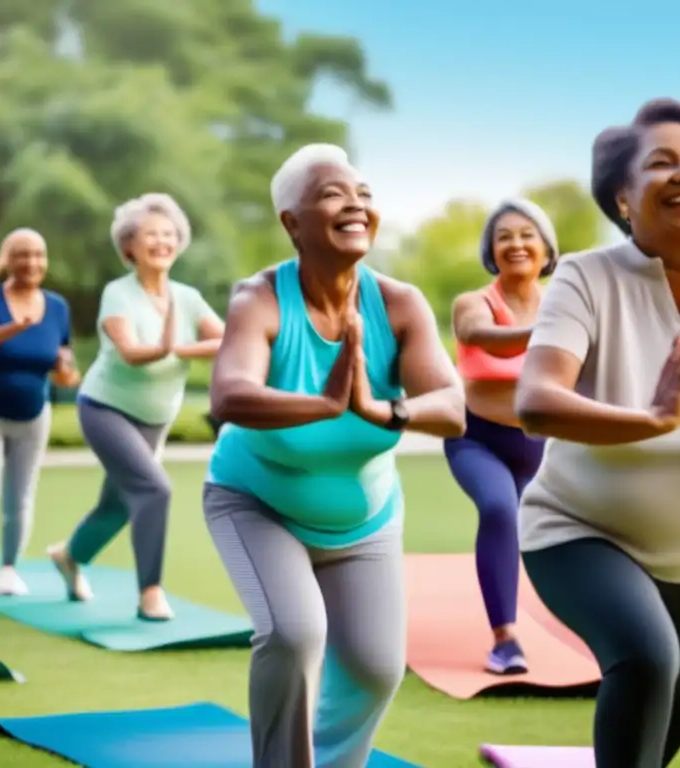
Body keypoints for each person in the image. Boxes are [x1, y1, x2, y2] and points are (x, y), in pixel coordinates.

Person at [204, 144, 465, 768]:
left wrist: (385, 410)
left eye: (364, 194)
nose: (355, 204)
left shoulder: (399, 303)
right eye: (331, 194)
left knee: (376, 667)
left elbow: (452, 407)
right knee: (294, 635)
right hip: (258, 503)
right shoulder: (260, 298)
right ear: (292, 223)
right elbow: (230, 394)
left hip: (365, 519)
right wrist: (324, 402)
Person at [516, 98, 680, 767]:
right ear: (624, 200)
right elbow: (537, 400)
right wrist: (653, 421)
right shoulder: (585, 275)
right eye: (663, 163)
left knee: (663, 731)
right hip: (580, 531)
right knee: (645, 657)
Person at [47, 192, 224, 621]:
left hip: (155, 417)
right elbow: (128, 350)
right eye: (151, 235)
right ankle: (151, 594)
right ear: (130, 246)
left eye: (169, 234)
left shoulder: (188, 297)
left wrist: (175, 347)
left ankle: (69, 556)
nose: (162, 242)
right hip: (106, 408)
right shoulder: (118, 294)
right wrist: (164, 348)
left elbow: (227, 340)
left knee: (118, 505)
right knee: (154, 489)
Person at [445, 199, 557, 675]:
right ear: (491, 249)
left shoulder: (563, 303)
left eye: (527, 234)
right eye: (504, 236)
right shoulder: (474, 303)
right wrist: (558, 329)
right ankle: (505, 640)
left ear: (546, 247)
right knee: (498, 509)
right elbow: (482, 336)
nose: (516, 244)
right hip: (478, 438)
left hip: (544, 447)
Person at [0, 228, 79, 596]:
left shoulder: (57, 307)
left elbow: (67, 371)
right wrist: (15, 327)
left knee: (19, 497)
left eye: (39, 254)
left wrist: (65, 369)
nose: (32, 262)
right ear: (8, 260)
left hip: (33, 414)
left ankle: (9, 568)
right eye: (23, 254)